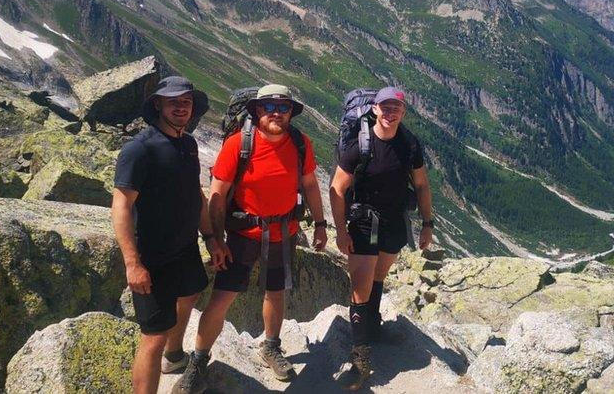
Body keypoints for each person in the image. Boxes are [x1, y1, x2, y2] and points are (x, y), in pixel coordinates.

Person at [174, 84, 327, 392]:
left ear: (291, 113)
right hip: (243, 235)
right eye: (269, 106)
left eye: (283, 108)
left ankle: (271, 346)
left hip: (284, 232)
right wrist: (216, 240)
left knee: (276, 292)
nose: (276, 113)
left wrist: (321, 224)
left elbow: (310, 184)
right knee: (222, 299)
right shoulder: (238, 144)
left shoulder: (300, 143)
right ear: (257, 110)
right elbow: (217, 195)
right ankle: (198, 360)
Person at [111, 76, 228, 394]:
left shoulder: (188, 144)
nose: (181, 107)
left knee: (190, 294)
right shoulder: (140, 150)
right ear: (157, 105)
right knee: (153, 336)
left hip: (185, 247)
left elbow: (197, 196)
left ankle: (174, 357)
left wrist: (211, 238)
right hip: (152, 256)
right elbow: (121, 207)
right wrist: (133, 263)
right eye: (173, 101)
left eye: (186, 101)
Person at [329, 86, 434, 389]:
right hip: (363, 219)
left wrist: (428, 224)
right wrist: (341, 230)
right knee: (360, 285)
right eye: (384, 108)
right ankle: (360, 357)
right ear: (374, 109)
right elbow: (337, 188)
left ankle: (372, 327)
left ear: (403, 113)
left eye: (396, 109)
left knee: (378, 276)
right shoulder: (360, 144)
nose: (390, 114)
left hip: (394, 221)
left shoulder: (409, 144)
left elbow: (422, 186)